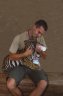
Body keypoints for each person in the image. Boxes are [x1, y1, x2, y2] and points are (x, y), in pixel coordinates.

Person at [6, 19, 48, 96]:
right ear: (34, 27)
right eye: (38, 32)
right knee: (10, 85)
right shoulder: (19, 38)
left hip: (34, 66)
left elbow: (45, 56)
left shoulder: (40, 38)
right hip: (20, 66)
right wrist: (25, 54)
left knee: (43, 83)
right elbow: (11, 57)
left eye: (41, 34)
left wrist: (41, 51)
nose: (39, 35)